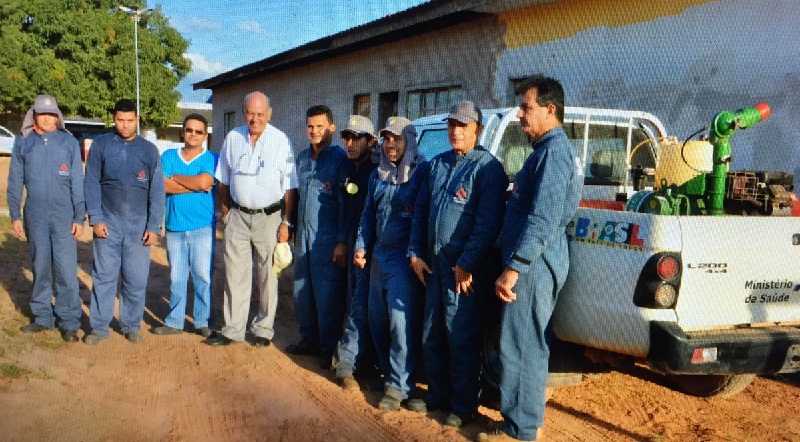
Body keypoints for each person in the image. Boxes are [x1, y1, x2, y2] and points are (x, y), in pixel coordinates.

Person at [478, 76, 584, 442]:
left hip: (534, 265)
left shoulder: (554, 153)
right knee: (528, 343)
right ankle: (525, 425)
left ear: (549, 109)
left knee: (520, 345)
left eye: (526, 107)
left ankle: (519, 431)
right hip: (536, 262)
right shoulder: (547, 151)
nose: (520, 114)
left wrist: (514, 268)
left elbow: (543, 217)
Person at [408, 101, 508, 427]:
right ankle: (437, 395)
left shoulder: (488, 169)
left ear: (476, 129)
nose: (455, 131)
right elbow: (421, 211)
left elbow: (487, 225)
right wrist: (415, 254)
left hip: (462, 272)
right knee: (431, 333)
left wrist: (465, 263)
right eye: (452, 124)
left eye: (462, 126)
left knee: (460, 337)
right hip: (434, 267)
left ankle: (463, 406)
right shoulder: (437, 165)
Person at [205, 91, 297, 347]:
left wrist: (286, 222)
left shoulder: (281, 140)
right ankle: (233, 328)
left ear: (269, 114)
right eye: (250, 113)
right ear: (243, 113)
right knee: (234, 274)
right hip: (238, 217)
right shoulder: (233, 138)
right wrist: (227, 210)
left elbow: (290, 186)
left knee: (268, 275)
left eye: (260, 114)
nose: (255, 119)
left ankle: (263, 329)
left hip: (269, 218)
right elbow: (222, 178)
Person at [354, 117, 428, 409]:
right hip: (378, 256)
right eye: (386, 139)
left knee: (401, 324)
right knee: (378, 319)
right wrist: (361, 246)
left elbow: (423, 218)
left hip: (404, 259)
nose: (391, 145)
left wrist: (415, 253)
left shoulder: (421, 172)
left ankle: (400, 387)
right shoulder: (378, 175)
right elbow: (368, 215)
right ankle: (390, 376)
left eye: (397, 139)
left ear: (409, 140)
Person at [83, 99, 165, 345]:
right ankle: (99, 327)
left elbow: (157, 190)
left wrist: (153, 226)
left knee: (135, 278)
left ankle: (130, 324)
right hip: (108, 223)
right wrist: (95, 218)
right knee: (104, 276)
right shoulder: (101, 145)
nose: (125, 125)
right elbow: (91, 182)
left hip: (139, 227)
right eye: (120, 120)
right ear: (114, 119)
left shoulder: (149, 150)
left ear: (137, 120)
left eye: (130, 121)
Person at [7, 94, 85, 343]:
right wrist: (15, 214)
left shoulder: (69, 142)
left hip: (64, 217)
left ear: (57, 117)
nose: (47, 119)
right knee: (40, 267)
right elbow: (15, 180)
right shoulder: (23, 142)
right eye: (43, 114)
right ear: (34, 115)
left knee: (65, 270)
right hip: (36, 215)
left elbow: (77, 182)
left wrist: (78, 215)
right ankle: (42, 316)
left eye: (52, 115)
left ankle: (69, 320)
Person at [287, 105, 349, 368]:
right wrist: (288, 225)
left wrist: (342, 241)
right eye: (310, 126)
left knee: (327, 294)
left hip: (327, 240)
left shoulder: (341, 161)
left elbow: (346, 205)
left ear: (331, 128)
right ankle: (308, 338)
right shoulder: (301, 159)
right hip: (303, 237)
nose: (315, 132)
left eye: (320, 126)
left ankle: (328, 345)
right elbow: (294, 195)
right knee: (302, 290)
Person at [152, 114, 218, 338]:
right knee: (177, 277)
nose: (193, 135)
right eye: (189, 130)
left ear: (205, 135)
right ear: (182, 131)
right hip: (175, 226)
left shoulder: (211, 158)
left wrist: (178, 178)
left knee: (202, 276)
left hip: (202, 226)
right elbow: (163, 185)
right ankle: (174, 321)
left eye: (199, 131)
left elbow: (205, 182)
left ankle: (201, 321)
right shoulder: (169, 156)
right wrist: (195, 185)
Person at [331, 115, 379, 390]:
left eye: (356, 138)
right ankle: (347, 363)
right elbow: (342, 207)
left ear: (371, 142)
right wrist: (341, 241)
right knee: (353, 302)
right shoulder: (347, 168)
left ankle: (360, 363)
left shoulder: (377, 172)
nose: (349, 143)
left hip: (373, 246)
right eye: (346, 138)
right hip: (352, 242)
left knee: (368, 306)